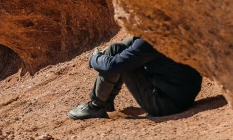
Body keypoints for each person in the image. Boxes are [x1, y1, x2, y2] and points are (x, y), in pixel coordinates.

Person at [69, 36, 203, 120]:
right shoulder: (166, 30)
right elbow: (130, 43)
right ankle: (107, 102)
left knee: (116, 54)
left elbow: (113, 65)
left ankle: (96, 107)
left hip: (166, 106)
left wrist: (94, 59)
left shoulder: (150, 40)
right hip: (184, 96)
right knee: (119, 50)